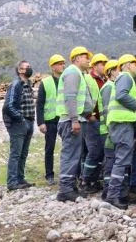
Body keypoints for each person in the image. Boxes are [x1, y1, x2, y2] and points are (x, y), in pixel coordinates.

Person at [55, 46, 96, 202]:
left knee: (74, 155)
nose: (88, 60)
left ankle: (71, 187)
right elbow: (70, 97)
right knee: (70, 155)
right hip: (70, 120)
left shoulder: (77, 73)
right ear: (77, 58)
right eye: (86, 57)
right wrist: (74, 120)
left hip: (75, 119)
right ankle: (65, 189)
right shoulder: (73, 72)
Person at [104, 53, 136, 210]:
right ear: (127, 65)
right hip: (122, 123)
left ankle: (118, 194)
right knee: (121, 160)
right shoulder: (126, 76)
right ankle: (113, 196)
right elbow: (121, 95)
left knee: (122, 159)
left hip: (119, 123)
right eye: (134, 64)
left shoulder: (122, 78)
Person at [2, 60, 35, 191]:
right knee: (16, 153)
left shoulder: (29, 84)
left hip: (29, 121)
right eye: (27, 67)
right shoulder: (16, 84)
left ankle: (20, 179)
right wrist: (20, 118)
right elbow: (8, 106)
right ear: (20, 70)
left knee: (23, 153)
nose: (30, 69)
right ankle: (12, 182)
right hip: (19, 123)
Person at [79, 53, 107, 194]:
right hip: (92, 121)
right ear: (95, 66)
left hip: (102, 121)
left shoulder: (105, 79)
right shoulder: (88, 79)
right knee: (93, 151)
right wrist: (89, 115)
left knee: (101, 152)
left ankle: (94, 181)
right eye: (102, 63)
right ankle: (85, 181)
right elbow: (84, 98)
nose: (105, 66)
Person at [36, 54, 66, 185]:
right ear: (53, 67)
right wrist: (41, 122)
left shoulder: (66, 80)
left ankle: (67, 173)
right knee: (50, 148)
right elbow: (40, 104)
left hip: (64, 118)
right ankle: (49, 175)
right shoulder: (45, 82)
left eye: (63, 63)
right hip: (50, 120)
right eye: (59, 64)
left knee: (68, 147)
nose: (62, 66)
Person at [100, 59, 120, 199]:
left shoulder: (112, 86)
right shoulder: (109, 87)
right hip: (108, 131)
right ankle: (107, 190)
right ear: (112, 71)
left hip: (110, 130)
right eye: (118, 69)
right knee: (111, 160)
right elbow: (108, 111)